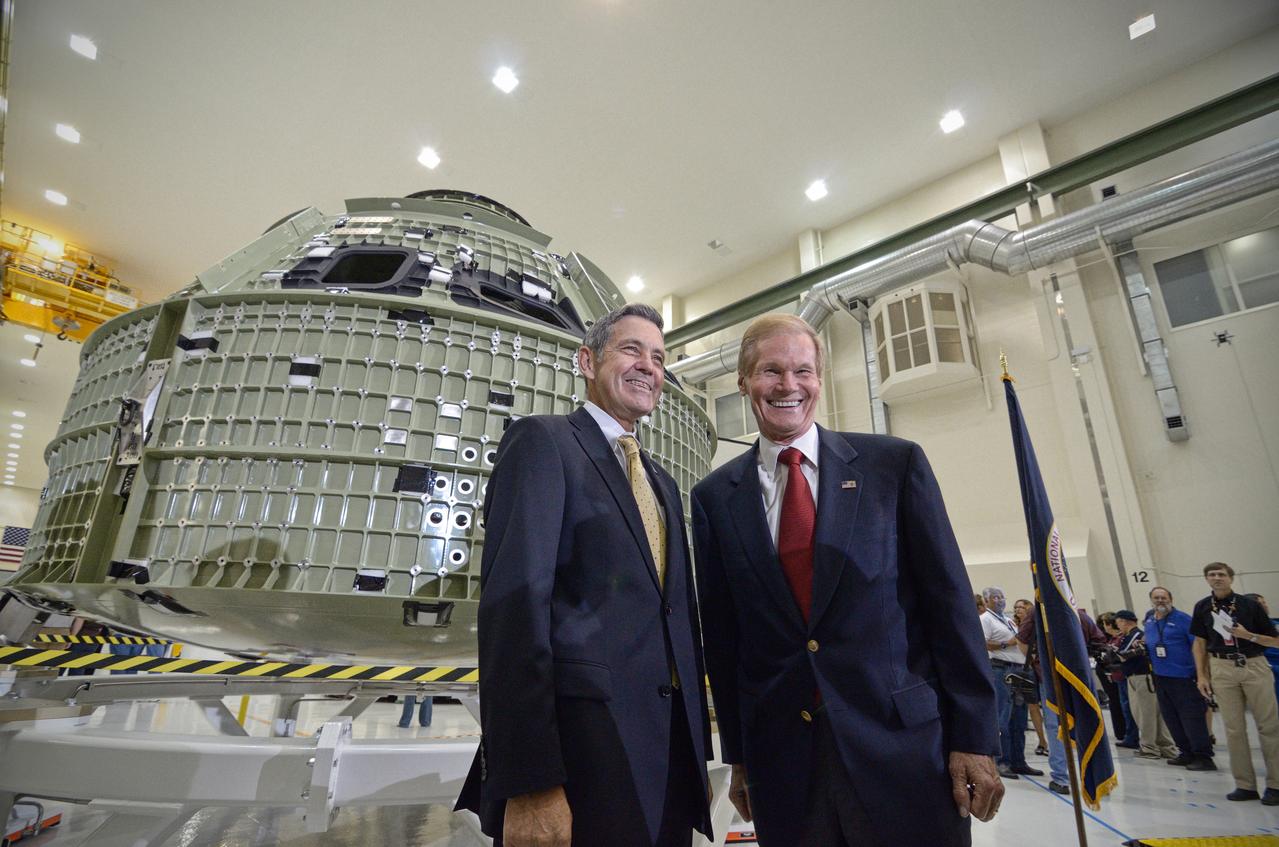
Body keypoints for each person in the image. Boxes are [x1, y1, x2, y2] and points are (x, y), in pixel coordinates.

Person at [691, 314, 1001, 847]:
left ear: (819, 378)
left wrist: (974, 738)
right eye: (771, 371)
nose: (788, 386)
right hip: (784, 764)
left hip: (906, 753)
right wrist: (739, 756)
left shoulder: (893, 466)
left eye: (802, 371)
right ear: (743, 382)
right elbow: (727, 642)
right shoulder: (714, 498)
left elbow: (948, 606)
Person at [454, 304, 713, 846]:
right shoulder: (542, 443)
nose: (648, 366)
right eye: (631, 349)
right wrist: (530, 781)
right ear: (587, 361)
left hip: (665, 762)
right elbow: (514, 611)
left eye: (659, 357)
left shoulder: (661, 482)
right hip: (579, 763)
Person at [1192, 562, 1279, 805]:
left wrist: (1248, 636)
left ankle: (1275, 784)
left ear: (1231, 578)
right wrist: (1202, 675)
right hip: (1221, 665)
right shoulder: (1202, 607)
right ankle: (1245, 784)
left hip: (1253, 663)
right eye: (1212, 575)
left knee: (1268, 726)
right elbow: (1199, 643)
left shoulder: (1250, 605)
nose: (1217, 578)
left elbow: (1275, 640)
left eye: (1221, 574)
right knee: (1233, 728)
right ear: (1206, 579)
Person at [1017, 604, 1107, 795]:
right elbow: (1099, 641)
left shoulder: (1038, 612)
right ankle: (1094, 777)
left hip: (1052, 678)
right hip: (1079, 677)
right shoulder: (1078, 613)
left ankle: (1062, 778)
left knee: (1056, 726)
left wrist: (1036, 660)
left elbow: (1022, 641)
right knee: (1085, 722)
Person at [1145, 587, 1214, 770]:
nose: (1160, 601)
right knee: (1171, 717)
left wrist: (1202, 675)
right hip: (1161, 677)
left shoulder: (1183, 620)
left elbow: (1198, 647)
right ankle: (1186, 752)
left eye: (1164, 597)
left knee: (1192, 718)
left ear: (1171, 599)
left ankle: (1203, 756)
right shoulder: (1150, 620)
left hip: (1184, 677)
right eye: (1156, 598)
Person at [981, 587, 1042, 778]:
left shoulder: (1008, 620)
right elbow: (982, 644)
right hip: (1001, 669)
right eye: (995, 597)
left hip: (1021, 670)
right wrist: (1007, 643)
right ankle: (1002, 761)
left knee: (1020, 717)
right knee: (1003, 716)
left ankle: (1018, 760)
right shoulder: (985, 620)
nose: (1000, 600)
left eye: (1002, 597)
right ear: (986, 601)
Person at [1113, 609, 1177, 760]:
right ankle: (1165, 747)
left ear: (1124, 621)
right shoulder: (1129, 636)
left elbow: (1124, 656)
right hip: (1136, 677)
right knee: (1151, 713)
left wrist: (1116, 654)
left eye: (1118, 623)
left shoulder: (1137, 635)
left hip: (1142, 677)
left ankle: (1150, 748)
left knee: (1145, 714)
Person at [1013, 599, 1049, 756]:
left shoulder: (1036, 624)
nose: (1019, 609)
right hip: (1024, 669)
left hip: (1039, 667)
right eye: (1016, 607)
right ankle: (1042, 740)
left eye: (1023, 606)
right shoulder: (1011, 625)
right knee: (1032, 706)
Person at [1096, 613, 1134, 746]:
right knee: (1120, 704)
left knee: (1126, 706)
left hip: (1121, 675)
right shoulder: (1111, 639)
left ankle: (1130, 735)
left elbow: (1118, 657)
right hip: (1113, 675)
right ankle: (1124, 733)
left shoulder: (1120, 639)